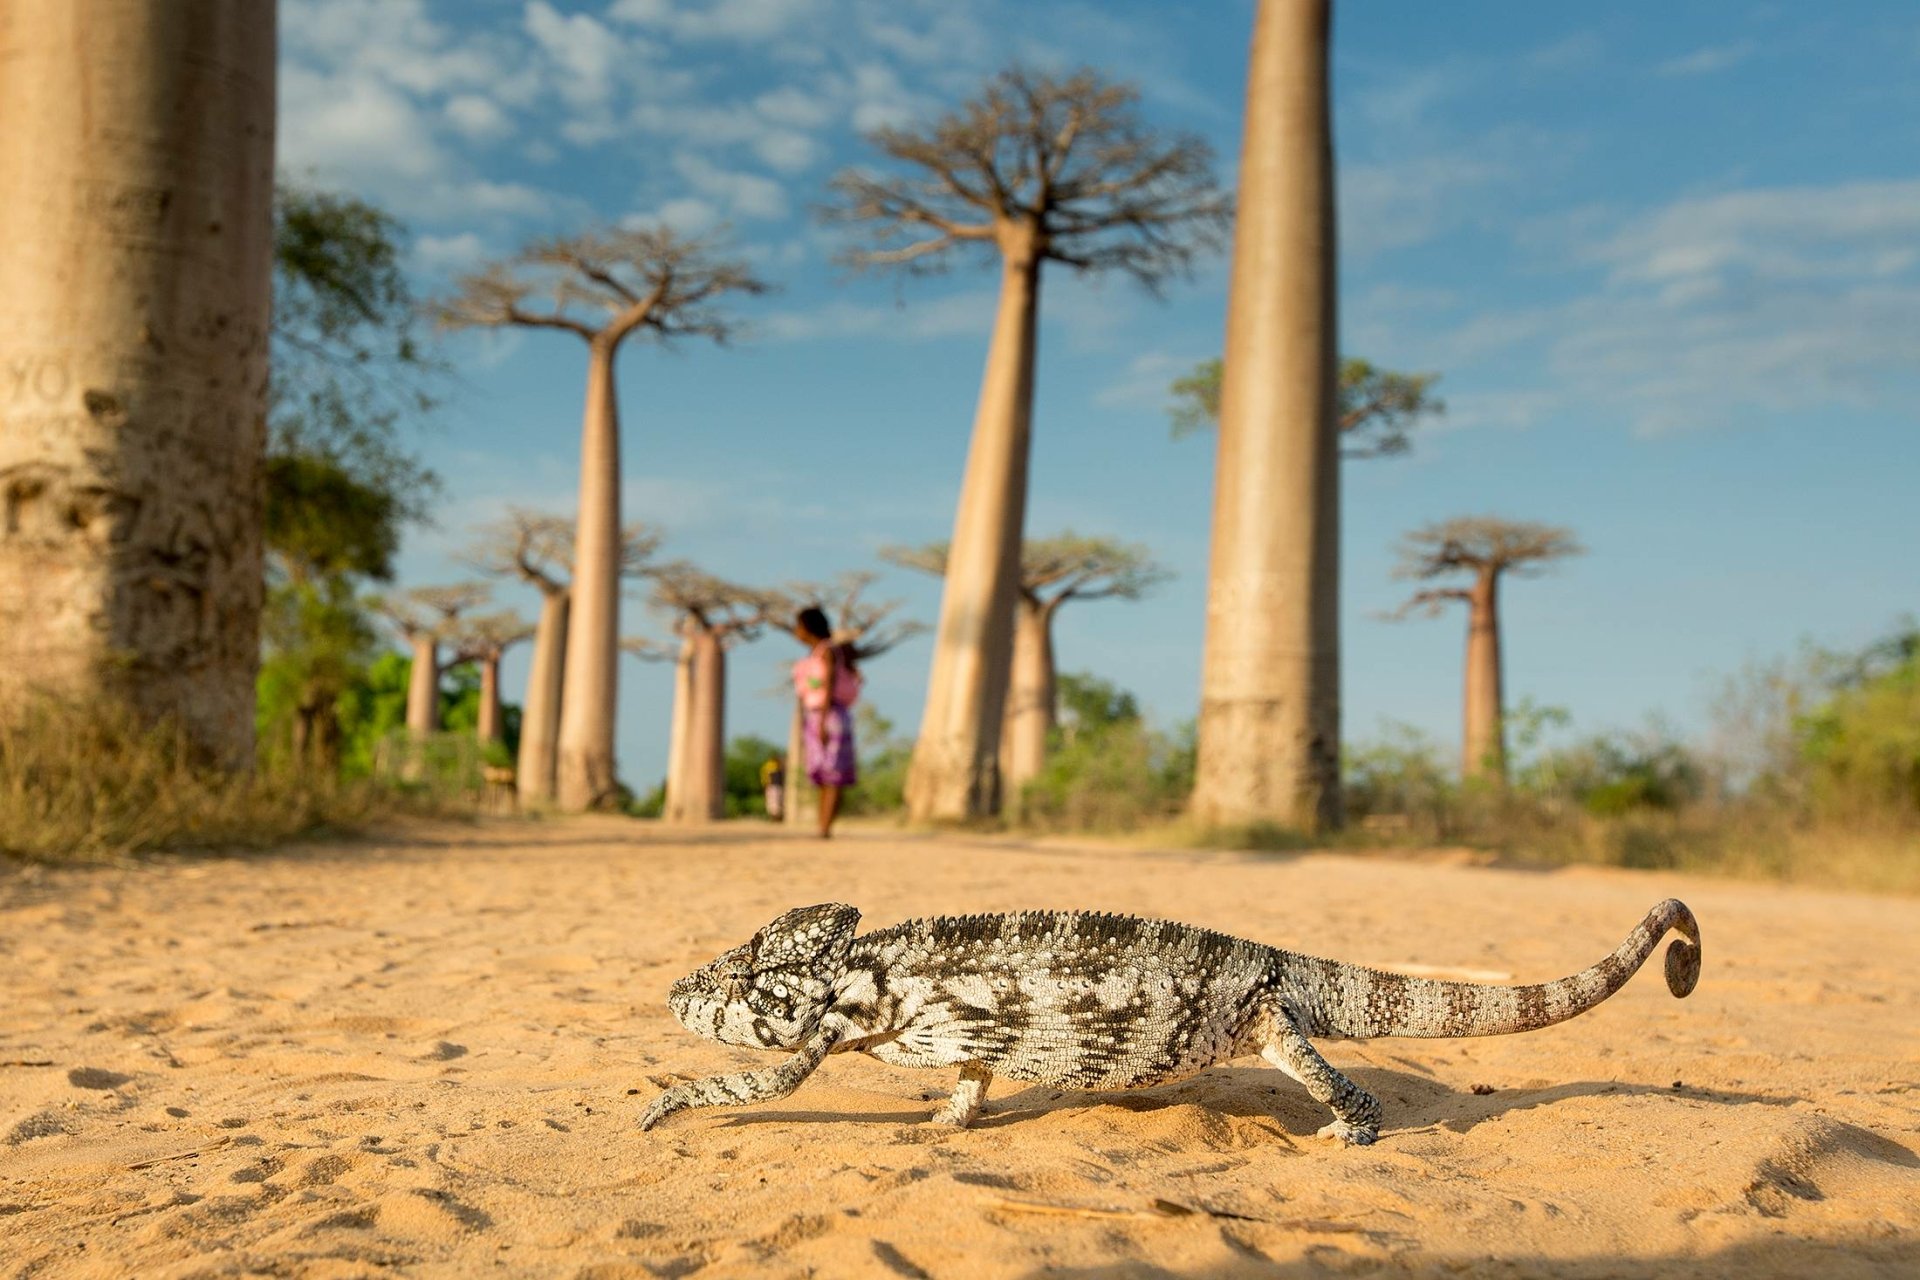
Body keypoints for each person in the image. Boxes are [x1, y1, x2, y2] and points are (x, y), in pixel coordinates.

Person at [791, 605, 861, 838]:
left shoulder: (828, 651)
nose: (796, 631)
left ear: (808, 627)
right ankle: (823, 826)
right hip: (816, 714)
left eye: (798, 626)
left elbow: (829, 684)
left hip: (828, 714)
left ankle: (825, 828)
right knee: (822, 773)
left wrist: (822, 721)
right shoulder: (815, 653)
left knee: (833, 772)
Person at [759, 755, 785, 821]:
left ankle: (775, 817)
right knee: (774, 802)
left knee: (774, 802)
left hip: (773, 786)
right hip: (773, 786)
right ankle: (775, 817)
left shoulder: (769, 766)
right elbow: (766, 777)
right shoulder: (772, 766)